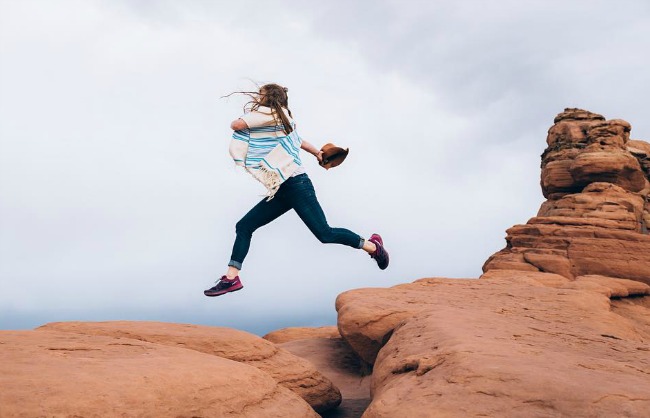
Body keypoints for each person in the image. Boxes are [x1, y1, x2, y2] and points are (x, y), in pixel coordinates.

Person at [204, 83, 389, 297]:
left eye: (260, 96)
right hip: (281, 188)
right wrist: (318, 154)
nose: (257, 99)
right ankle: (231, 278)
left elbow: (236, 125)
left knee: (324, 233)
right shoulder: (281, 121)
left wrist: (252, 118)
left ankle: (373, 246)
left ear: (269, 98)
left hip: (296, 185)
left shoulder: (272, 115)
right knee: (244, 226)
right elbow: (298, 141)